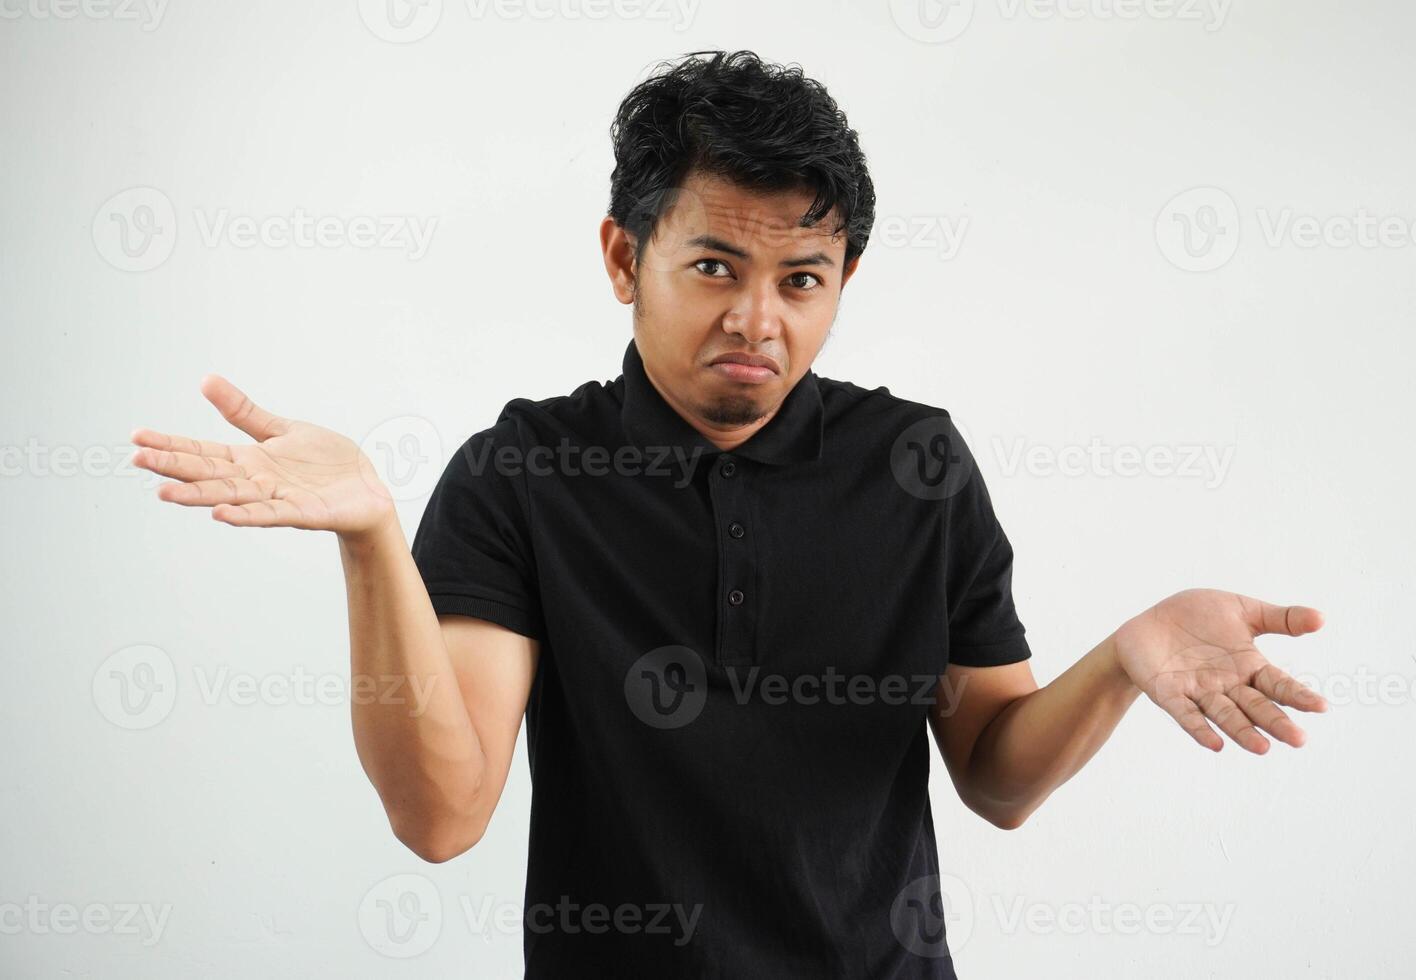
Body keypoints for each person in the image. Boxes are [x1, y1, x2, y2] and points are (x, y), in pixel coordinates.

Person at [128, 49, 1327, 980]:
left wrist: (1121, 656)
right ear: (621, 255)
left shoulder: (916, 461)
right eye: (714, 267)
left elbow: (997, 777)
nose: (760, 319)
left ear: (843, 279)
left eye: (801, 279)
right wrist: (371, 537)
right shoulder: (524, 473)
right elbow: (442, 815)